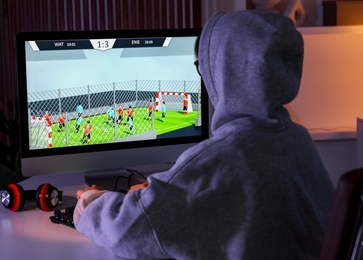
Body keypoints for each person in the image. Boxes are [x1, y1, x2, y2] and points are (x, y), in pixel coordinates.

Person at [73, 10, 334, 259]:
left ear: (225, 72)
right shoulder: (296, 138)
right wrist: (164, 196)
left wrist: (91, 201)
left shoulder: (226, 155)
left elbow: (127, 230)